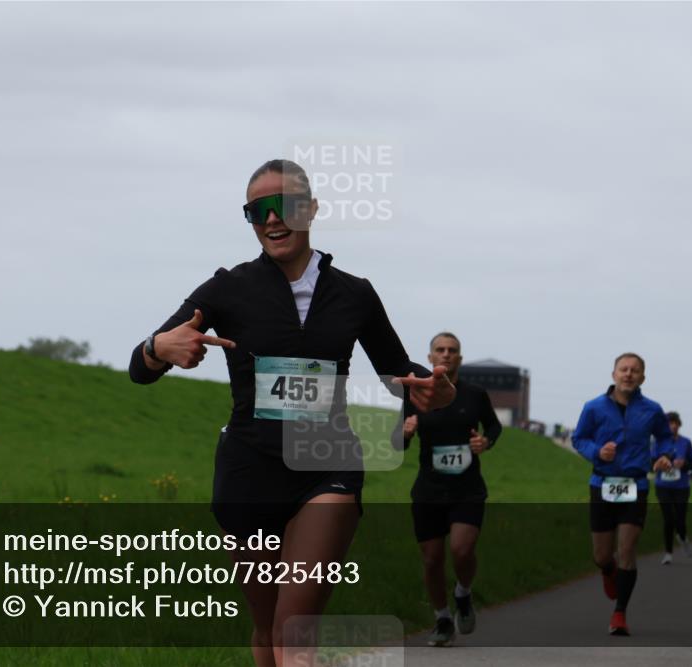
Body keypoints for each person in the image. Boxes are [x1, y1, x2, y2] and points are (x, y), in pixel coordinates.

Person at [129, 159, 456, 667]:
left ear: (312, 208)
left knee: (294, 633)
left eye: (284, 205)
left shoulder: (355, 293)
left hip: (327, 467)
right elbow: (141, 367)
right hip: (248, 472)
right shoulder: (227, 288)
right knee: (265, 630)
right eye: (257, 211)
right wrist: (157, 347)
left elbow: (398, 371)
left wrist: (435, 391)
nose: (272, 219)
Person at [394, 332, 503, 647]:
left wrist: (486, 441)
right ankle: (442, 618)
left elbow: (493, 426)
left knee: (461, 549)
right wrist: (405, 432)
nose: (445, 354)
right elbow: (399, 444)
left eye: (452, 350)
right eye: (439, 350)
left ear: (459, 358)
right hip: (429, 489)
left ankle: (463, 593)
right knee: (431, 560)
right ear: (430, 358)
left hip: (467, 488)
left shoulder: (474, 394)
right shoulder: (417, 394)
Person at [572, 352, 674, 636]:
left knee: (627, 550)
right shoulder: (593, 407)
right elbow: (579, 438)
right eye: (623, 369)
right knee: (602, 555)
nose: (628, 374)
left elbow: (665, 437)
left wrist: (665, 454)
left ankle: (620, 614)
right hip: (602, 483)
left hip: (635, 485)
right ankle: (608, 570)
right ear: (613, 374)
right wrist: (597, 452)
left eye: (635, 370)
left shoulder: (652, 410)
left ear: (643, 377)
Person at [654, 412, 692, 564]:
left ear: (679, 424)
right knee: (668, 518)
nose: (673, 426)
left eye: (675, 423)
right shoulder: (657, 442)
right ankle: (668, 553)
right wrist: (662, 463)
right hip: (663, 486)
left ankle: (683, 538)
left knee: (680, 519)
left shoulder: (686, 442)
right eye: (670, 423)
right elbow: (652, 462)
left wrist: (684, 464)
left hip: (681, 486)